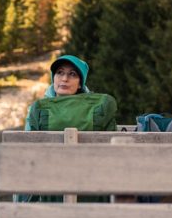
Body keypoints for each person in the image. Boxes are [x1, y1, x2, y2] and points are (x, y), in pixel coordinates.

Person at [17, 55, 116, 202]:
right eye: (60, 72)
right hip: (93, 190)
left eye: (72, 74)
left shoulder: (38, 109)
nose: (64, 79)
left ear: (80, 83)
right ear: (53, 78)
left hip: (52, 189)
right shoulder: (100, 106)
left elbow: (27, 154)